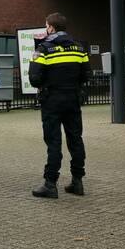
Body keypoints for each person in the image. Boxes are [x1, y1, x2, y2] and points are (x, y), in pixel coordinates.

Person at [28, 12, 90, 199]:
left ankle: (50, 184)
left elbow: (34, 78)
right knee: (75, 139)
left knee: (54, 142)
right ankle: (77, 182)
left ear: (51, 27)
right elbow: (87, 75)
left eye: (46, 26)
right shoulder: (79, 48)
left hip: (52, 100)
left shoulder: (44, 49)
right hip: (72, 99)